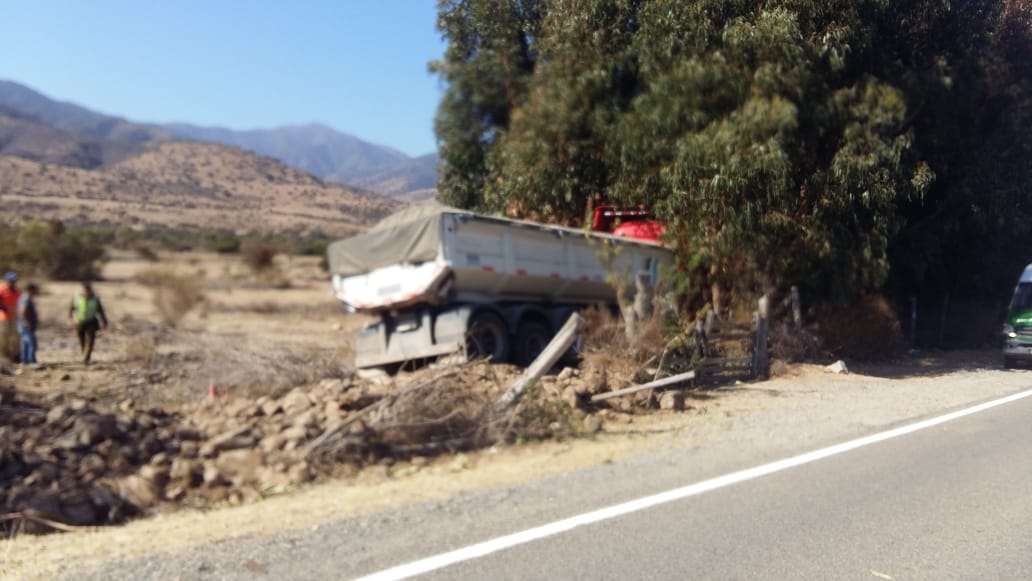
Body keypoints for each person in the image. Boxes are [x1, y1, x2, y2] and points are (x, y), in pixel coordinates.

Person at [69, 282, 108, 365]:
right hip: (79, 322)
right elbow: (71, 309)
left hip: (91, 322)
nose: (86, 292)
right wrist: (71, 320)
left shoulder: (95, 299)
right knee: (82, 341)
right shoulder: (76, 298)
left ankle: (86, 359)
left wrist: (104, 321)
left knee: (90, 341)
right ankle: (85, 356)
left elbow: (100, 311)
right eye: (85, 290)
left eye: (88, 290)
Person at [0, 272, 22, 362]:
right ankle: (4, 355)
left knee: (16, 337)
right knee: (4, 337)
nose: (13, 282)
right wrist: (5, 308)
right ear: (6, 281)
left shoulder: (18, 291)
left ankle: (15, 356)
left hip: (15, 317)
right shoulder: (1, 290)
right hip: (3, 317)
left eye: (14, 281)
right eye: (11, 280)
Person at [16, 283, 40, 367]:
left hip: (24, 324)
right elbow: (23, 310)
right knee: (31, 343)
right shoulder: (26, 298)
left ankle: (24, 360)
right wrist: (26, 321)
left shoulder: (24, 297)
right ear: (31, 289)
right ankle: (31, 361)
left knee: (26, 343)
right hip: (26, 325)